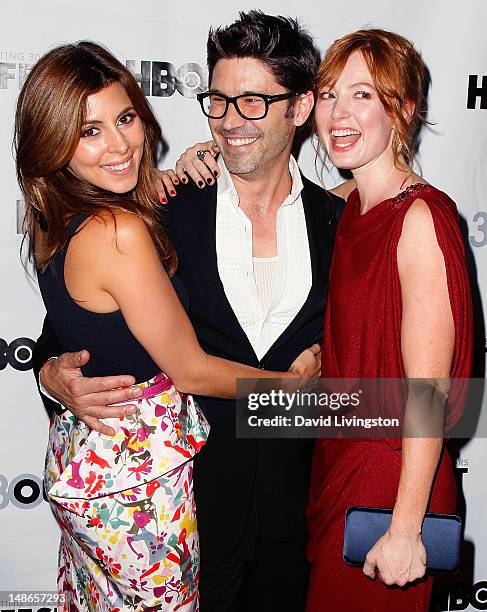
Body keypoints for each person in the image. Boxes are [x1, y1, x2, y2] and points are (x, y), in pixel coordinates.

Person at [32, 12, 343, 612]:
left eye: (253, 101)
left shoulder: (344, 228)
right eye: (219, 100)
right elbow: (65, 329)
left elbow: (371, 381)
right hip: (178, 518)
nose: (230, 120)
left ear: (300, 108)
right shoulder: (160, 209)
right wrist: (52, 375)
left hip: (299, 514)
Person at [304, 29, 473, 611]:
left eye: (362, 95)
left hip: (392, 478)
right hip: (340, 462)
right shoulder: (349, 202)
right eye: (328, 94)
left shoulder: (421, 217)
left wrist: (405, 527)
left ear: (401, 109)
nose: (338, 113)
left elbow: (427, 392)